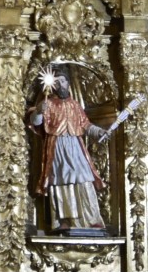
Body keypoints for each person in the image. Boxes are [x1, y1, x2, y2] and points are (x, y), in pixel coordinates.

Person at [29, 70, 106, 232]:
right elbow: (36, 123)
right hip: (57, 147)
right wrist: (38, 111)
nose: (60, 85)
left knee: (84, 177)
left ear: (68, 84)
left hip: (75, 147)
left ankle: (91, 219)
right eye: (56, 82)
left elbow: (85, 124)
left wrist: (99, 131)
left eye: (63, 81)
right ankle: (64, 220)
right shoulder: (48, 103)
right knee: (61, 180)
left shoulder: (75, 105)